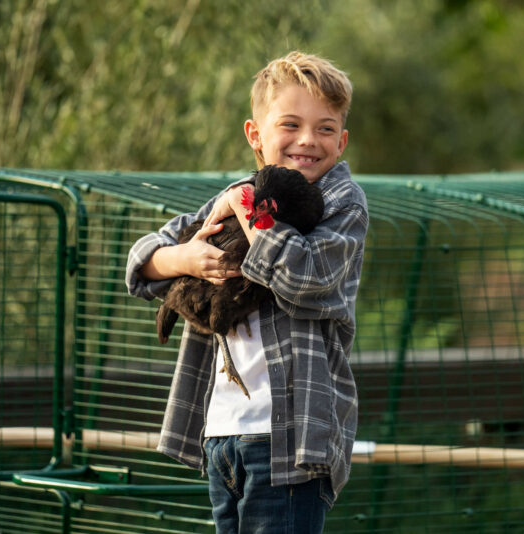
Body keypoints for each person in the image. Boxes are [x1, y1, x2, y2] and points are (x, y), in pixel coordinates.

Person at [126, 50, 368, 533]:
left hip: (291, 438)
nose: (307, 140)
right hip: (222, 431)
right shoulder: (238, 192)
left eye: (324, 128)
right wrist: (186, 259)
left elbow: (306, 277)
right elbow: (141, 260)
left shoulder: (342, 202)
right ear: (255, 135)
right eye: (290, 124)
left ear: (341, 141)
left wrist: (248, 212)